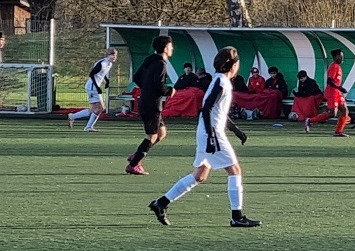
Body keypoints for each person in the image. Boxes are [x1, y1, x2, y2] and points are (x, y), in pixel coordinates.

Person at [147, 46, 261, 227]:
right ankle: (237, 216)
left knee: (200, 175)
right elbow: (206, 108)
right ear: (233, 65)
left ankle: (161, 203)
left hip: (208, 131)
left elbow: (217, 111)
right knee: (235, 170)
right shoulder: (221, 82)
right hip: (212, 132)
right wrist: (211, 136)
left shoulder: (220, 81)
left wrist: (235, 129)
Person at [126, 35, 175, 175]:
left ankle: (137, 155)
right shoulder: (161, 64)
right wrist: (170, 90)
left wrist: (147, 89)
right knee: (152, 136)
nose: (172, 48)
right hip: (152, 104)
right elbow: (159, 85)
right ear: (165, 48)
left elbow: (137, 77)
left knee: (161, 133)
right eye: (170, 46)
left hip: (148, 102)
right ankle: (133, 165)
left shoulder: (150, 60)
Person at [67, 48, 118, 132]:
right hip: (92, 87)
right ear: (107, 55)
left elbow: (102, 73)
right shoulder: (102, 63)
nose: (114, 57)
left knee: (94, 110)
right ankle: (88, 127)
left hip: (94, 87)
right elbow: (91, 74)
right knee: (100, 108)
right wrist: (97, 87)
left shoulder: (109, 64)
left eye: (115, 55)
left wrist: (107, 81)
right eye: (112, 55)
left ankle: (72, 117)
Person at [304, 49, 351, 136]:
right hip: (332, 92)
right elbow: (329, 81)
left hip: (337, 92)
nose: (342, 58)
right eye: (341, 56)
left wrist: (339, 88)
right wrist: (339, 87)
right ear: (336, 57)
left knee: (345, 111)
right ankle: (310, 120)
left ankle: (338, 131)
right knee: (333, 113)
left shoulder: (338, 66)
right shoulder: (333, 66)